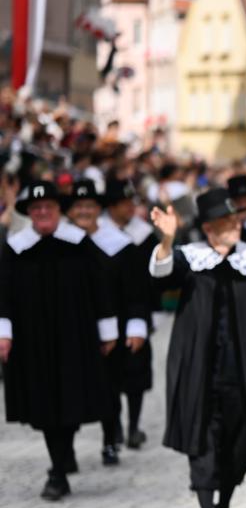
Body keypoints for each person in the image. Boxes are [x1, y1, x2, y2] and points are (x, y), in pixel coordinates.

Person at [149, 188, 246, 508]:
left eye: (235, 219)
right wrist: (167, 240)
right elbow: (161, 275)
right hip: (199, 367)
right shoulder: (190, 258)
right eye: (226, 222)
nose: (235, 226)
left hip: (245, 369)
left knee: (240, 444)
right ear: (209, 228)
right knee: (202, 436)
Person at [0, 180, 118, 500]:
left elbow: (100, 287)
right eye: (36, 208)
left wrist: (107, 330)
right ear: (29, 213)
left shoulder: (78, 243)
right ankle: (60, 463)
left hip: (74, 336)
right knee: (43, 406)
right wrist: (4, 333)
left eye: (48, 207)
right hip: (32, 341)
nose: (42, 212)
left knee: (71, 400)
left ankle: (59, 468)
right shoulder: (16, 248)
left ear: (58, 210)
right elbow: (3, 294)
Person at [64, 179, 148, 467]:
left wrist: (136, 325)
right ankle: (66, 450)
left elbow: (136, 290)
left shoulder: (119, 245)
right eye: (78, 206)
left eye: (89, 206)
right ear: (69, 211)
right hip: (71, 330)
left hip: (112, 329)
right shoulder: (59, 245)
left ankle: (110, 441)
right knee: (69, 390)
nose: (84, 211)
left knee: (110, 387)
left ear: (98, 209)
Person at [101, 177, 159, 449]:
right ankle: (113, 428)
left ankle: (133, 426)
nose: (129, 208)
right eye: (123, 203)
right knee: (109, 377)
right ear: (111, 207)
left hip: (137, 311)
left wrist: (151, 312)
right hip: (108, 311)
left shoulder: (143, 234)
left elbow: (154, 276)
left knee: (136, 373)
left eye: (130, 202)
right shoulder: (98, 234)